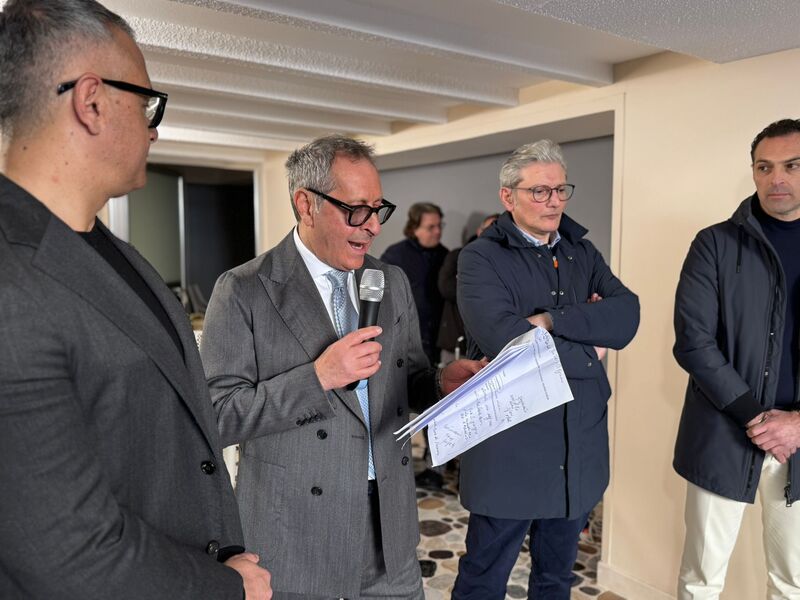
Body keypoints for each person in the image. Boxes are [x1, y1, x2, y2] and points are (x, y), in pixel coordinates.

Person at [0, 1, 271, 599]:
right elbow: (68, 554)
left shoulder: (112, 251)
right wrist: (226, 588)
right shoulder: (11, 281)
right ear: (92, 101)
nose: (154, 129)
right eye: (147, 103)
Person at [200, 134, 484, 600]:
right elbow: (218, 415)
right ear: (305, 205)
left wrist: (439, 382)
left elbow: (407, 379)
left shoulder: (390, 280)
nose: (372, 226)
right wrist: (318, 378)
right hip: (294, 541)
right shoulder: (243, 290)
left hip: (389, 536)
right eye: (356, 210)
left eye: (378, 209)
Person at [453, 139, 640, 599]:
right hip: (510, 446)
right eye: (539, 191)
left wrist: (552, 320)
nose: (554, 201)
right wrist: (591, 347)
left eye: (560, 190)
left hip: (578, 444)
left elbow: (627, 313)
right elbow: (509, 342)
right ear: (508, 196)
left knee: (556, 580)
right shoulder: (479, 258)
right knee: (483, 579)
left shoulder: (582, 251)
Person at [673, 119, 800, 600]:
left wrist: (796, 425)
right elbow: (693, 342)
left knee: (792, 582)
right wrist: (758, 418)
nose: (776, 178)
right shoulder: (714, 244)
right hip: (723, 433)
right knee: (701, 581)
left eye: (792, 166)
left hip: (799, 440)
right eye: (764, 167)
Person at [380, 202, 449, 365]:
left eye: (439, 226)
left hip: (437, 337)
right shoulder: (395, 255)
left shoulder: (446, 255)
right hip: (406, 337)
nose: (438, 231)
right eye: (431, 227)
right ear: (414, 228)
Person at [437, 213, 499, 364]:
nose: (492, 235)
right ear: (479, 231)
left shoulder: (505, 262)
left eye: (497, 231)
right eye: (488, 230)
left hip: (489, 345)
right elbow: (446, 288)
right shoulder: (458, 256)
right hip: (454, 343)